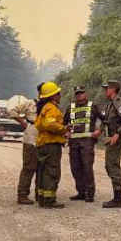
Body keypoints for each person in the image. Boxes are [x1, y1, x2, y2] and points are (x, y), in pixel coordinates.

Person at [63, 85, 103, 202]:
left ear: (86, 94)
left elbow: (105, 120)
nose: (79, 95)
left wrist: (99, 130)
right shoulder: (70, 107)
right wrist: (66, 131)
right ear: (75, 95)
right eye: (77, 93)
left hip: (87, 143)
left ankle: (89, 193)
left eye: (81, 93)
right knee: (75, 168)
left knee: (87, 167)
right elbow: (63, 123)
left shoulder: (93, 106)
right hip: (73, 143)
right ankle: (80, 192)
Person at [34, 81, 69, 209]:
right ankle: (49, 200)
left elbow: (39, 125)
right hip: (51, 144)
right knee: (52, 171)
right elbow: (50, 124)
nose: (60, 96)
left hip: (42, 143)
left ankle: (42, 197)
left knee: (43, 171)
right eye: (58, 93)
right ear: (53, 96)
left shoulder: (43, 108)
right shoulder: (51, 108)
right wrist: (64, 128)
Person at [100, 80, 121, 208]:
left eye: (107, 88)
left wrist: (118, 133)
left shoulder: (118, 102)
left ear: (113, 89)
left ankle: (118, 199)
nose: (105, 91)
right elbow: (106, 120)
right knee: (109, 166)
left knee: (112, 165)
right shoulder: (110, 104)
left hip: (115, 139)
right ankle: (117, 197)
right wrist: (100, 130)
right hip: (110, 138)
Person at [10, 86, 41, 204]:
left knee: (42, 169)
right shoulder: (30, 104)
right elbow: (12, 111)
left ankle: (40, 194)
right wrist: (23, 122)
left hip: (43, 141)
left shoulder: (49, 106)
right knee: (29, 168)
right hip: (30, 140)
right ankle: (22, 195)